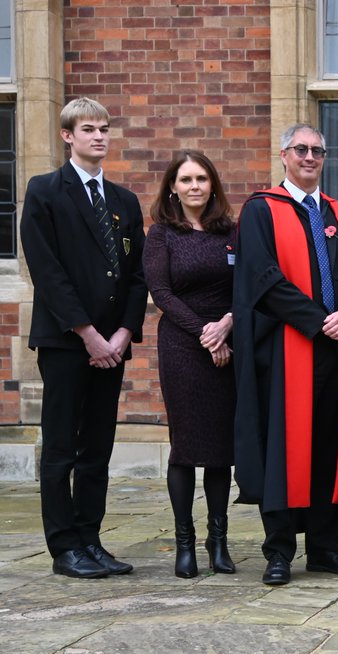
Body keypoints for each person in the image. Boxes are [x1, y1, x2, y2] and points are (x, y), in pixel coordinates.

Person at [232, 123, 338, 586]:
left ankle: (324, 547)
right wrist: (319, 321)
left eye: (317, 151)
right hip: (286, 351)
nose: (310, 157)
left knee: (330, 447)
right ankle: (278, 551)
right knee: (284, 447)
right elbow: (263, 280)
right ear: (284, 155)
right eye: (301, 149)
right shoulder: (261, 211)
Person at [21, 97, 147, 579]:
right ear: (67, 136)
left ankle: (91, 538)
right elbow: (47, 270)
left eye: (104, 128)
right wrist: (87, 333)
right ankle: (64, 547)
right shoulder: (46, 191)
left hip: (112, 347)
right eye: (88, 129)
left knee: (98, 447)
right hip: (65, 340)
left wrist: (120, 334)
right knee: (61, 447)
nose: (99, 136)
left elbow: (136, 276)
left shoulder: (123, 201)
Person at [143, 150, 239, 579]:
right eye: (186, 179)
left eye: (202, 178)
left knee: (220, 450)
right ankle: (185, 545)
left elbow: (248, 287)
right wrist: (205, 333)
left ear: (213, 185)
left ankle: (217, 542)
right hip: (183, 346)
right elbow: (161, 293)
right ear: (173, 188)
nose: (195, 186)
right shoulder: (162, 234)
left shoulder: (232, 234)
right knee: (185, 446)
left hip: (228, 343)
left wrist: (227, 325)